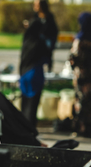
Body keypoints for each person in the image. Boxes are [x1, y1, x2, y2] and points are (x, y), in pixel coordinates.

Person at [69, 12, 91, 137]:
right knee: (90, 100)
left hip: (81, 75)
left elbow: (73, 57)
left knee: (80, 100)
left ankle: (80, 127)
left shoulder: (80, 39)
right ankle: (89, 127)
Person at [19, 1, 51, 129]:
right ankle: (31, 129)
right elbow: (47, 55)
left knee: (25, 104)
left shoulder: (27, 41)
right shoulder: (40, 42)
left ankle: (24, 128)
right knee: (32, 106)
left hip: (24, 73)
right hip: (35, 73)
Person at [32, 0, 58, 73]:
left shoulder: (49, 16)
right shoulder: (36, 16)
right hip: (38, 40)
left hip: (47, 39)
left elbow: (53, 29)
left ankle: (49, 71)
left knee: (48, 54)